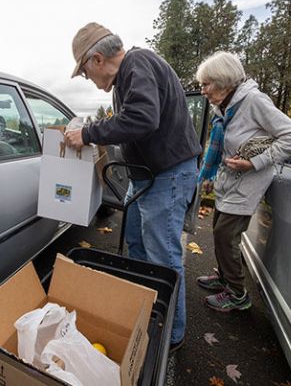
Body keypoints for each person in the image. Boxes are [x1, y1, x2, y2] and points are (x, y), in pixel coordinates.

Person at [64, 22, 202, 352]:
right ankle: (146, 309)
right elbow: (133, 125)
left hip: (165, 177)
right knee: (137, 245)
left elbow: (142, 118)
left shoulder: (138, 64)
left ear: (97, 59)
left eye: (84, 72)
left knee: (163, 256)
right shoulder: (126, 77)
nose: (88, 79)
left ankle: (171, 333)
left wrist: (87, 133)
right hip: (146, 177)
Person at [195, 51, 291, 312]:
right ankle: (224, 277)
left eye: (206, 84)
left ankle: (237, 294)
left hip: (247, 181)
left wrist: (255, 162)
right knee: (219, 230)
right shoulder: (224, 107)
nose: (203, 91)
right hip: (229, 180)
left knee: (225, 235)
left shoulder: (254, 101)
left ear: (223, 81)